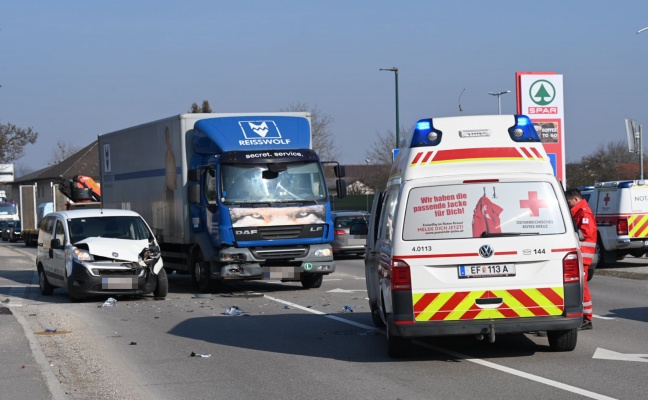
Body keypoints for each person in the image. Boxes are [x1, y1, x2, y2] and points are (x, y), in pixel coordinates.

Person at [565, 188, 596, 330]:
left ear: (576, 199)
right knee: (580, 287)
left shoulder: (584, 212)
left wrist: (570, 232)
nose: (569, 204)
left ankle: (587, 319)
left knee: (582, 288)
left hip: (583, 256)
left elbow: (584, 233)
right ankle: (584, 317)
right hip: (580, 256)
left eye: (569, 201)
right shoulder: (579, 211)